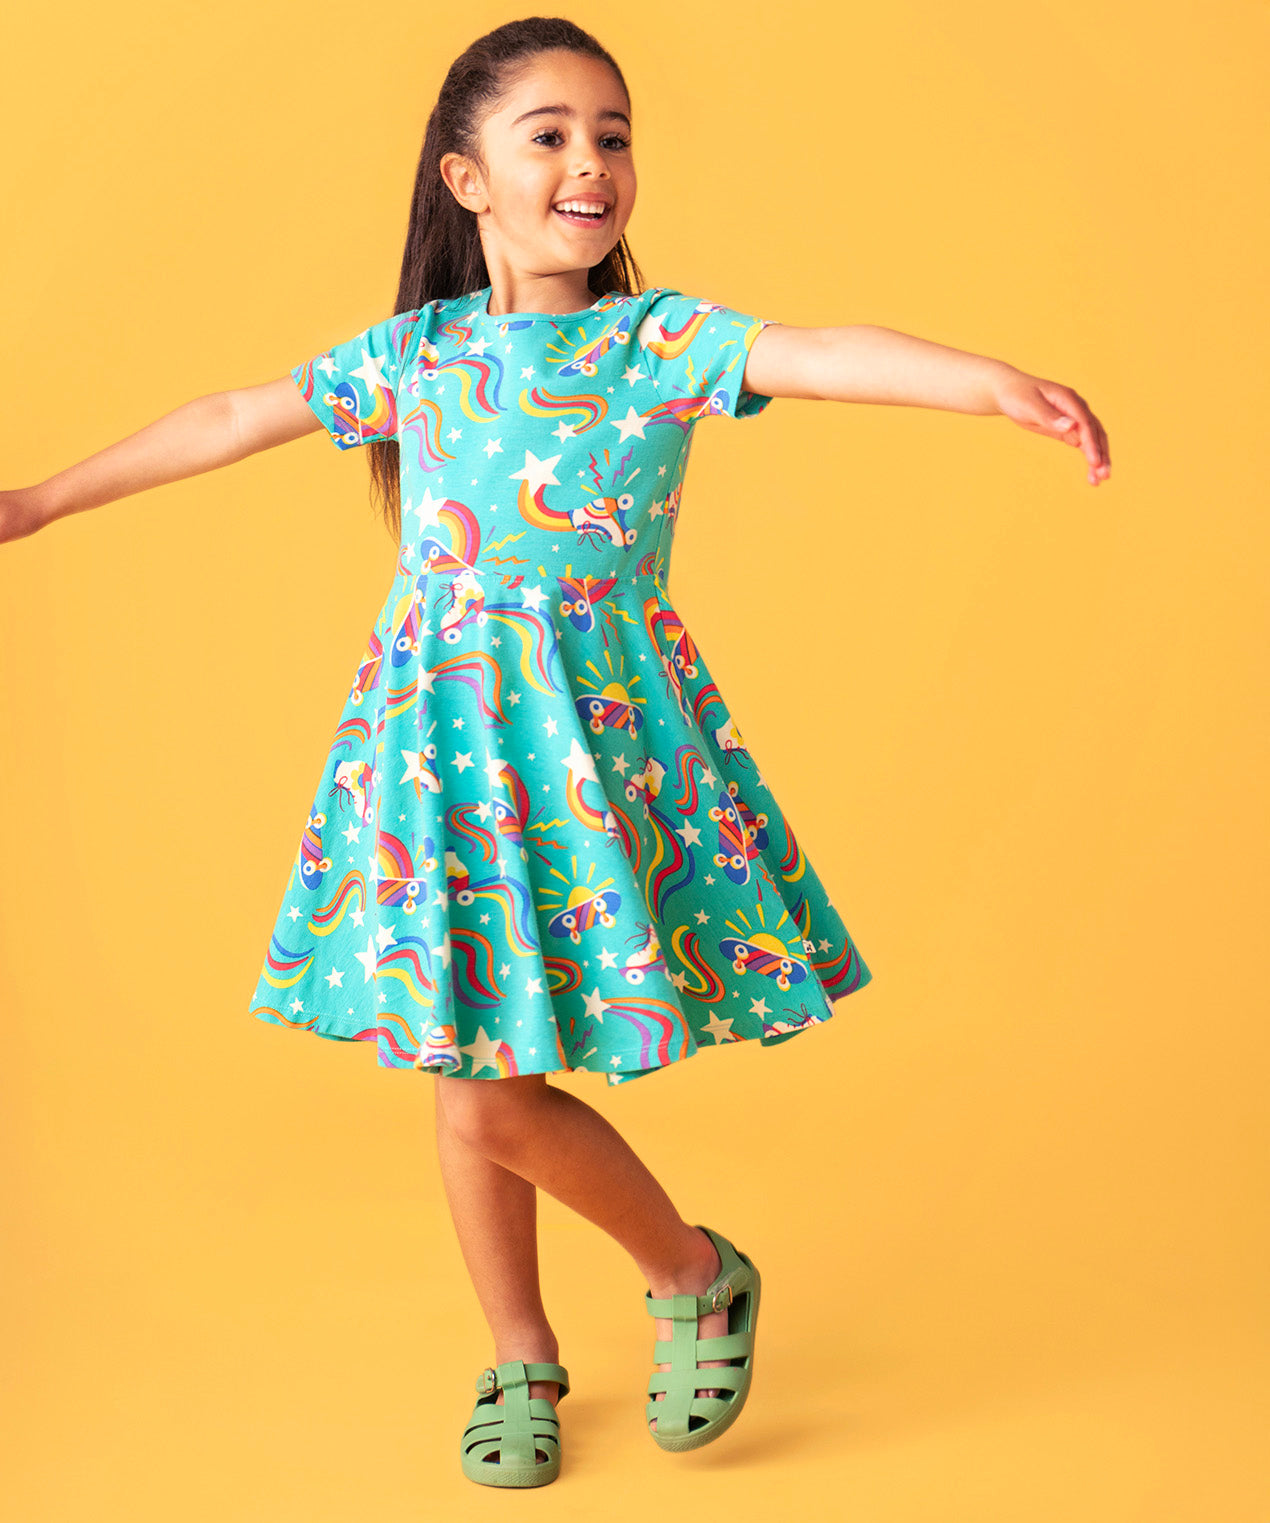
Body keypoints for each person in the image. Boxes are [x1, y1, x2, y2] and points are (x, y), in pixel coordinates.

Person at [0, 14, 1111, 1492]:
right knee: (462, 1058)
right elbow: (228, 416)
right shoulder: (415, 357)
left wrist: (991, 381)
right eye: (551, 135)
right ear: (467, 179)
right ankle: (520, 1349)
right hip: (440, 748)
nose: (591, 161)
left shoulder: (656, 345)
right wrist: (46, 500)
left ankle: (691, 1272)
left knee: (482, 1084)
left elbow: (825, 348)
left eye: (614, 134)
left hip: (586, 741)